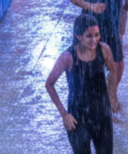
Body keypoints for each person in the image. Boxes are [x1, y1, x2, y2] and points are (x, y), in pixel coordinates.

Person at [46, 14, 120, 154]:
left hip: (101, 115)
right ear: (79, 36)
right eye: (89, 36)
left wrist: (111, 97)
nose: (94, 40)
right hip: (78, 119)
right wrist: (64, 115)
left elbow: (112, 71)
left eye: (97, 35)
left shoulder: (104, 50)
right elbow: (49, 84)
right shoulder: (68, 57)